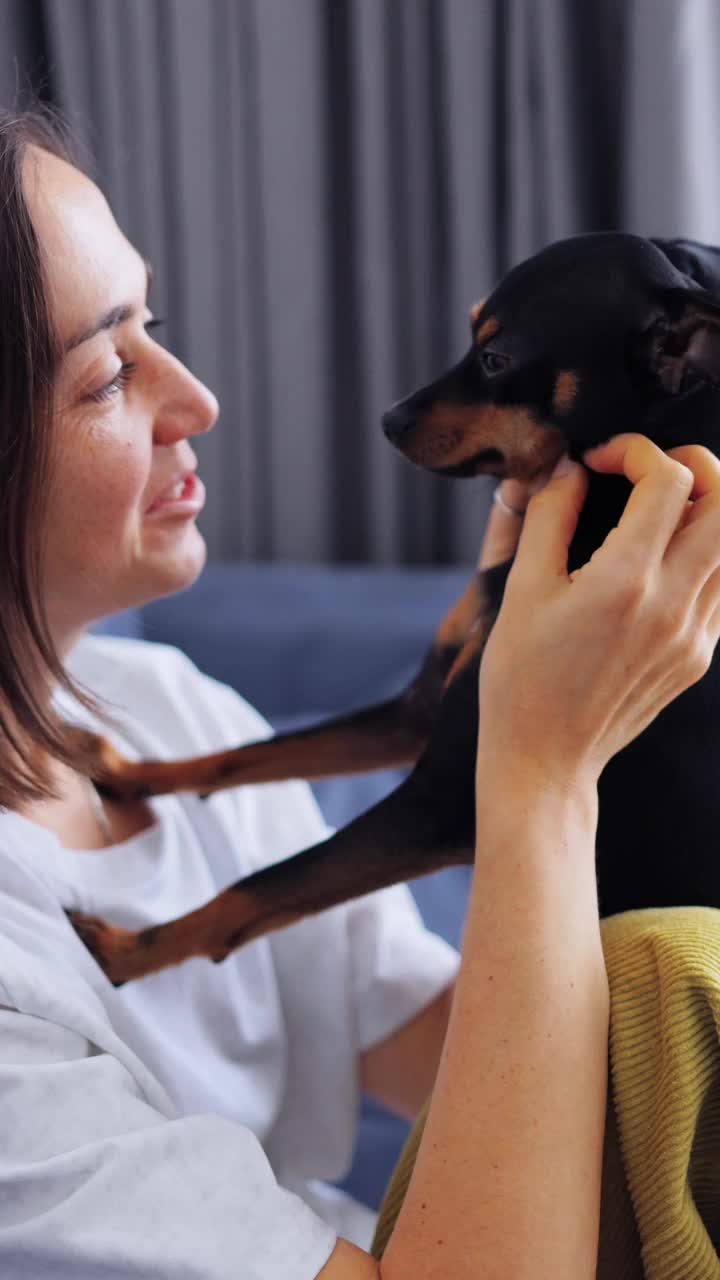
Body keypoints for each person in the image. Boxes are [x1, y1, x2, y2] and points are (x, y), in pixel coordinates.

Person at [0, 104, 719, 1280]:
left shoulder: (160, 707)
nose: (199, 400)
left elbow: (464, 1051)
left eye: (157, 324)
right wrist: (539, 769)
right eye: (105, 375)